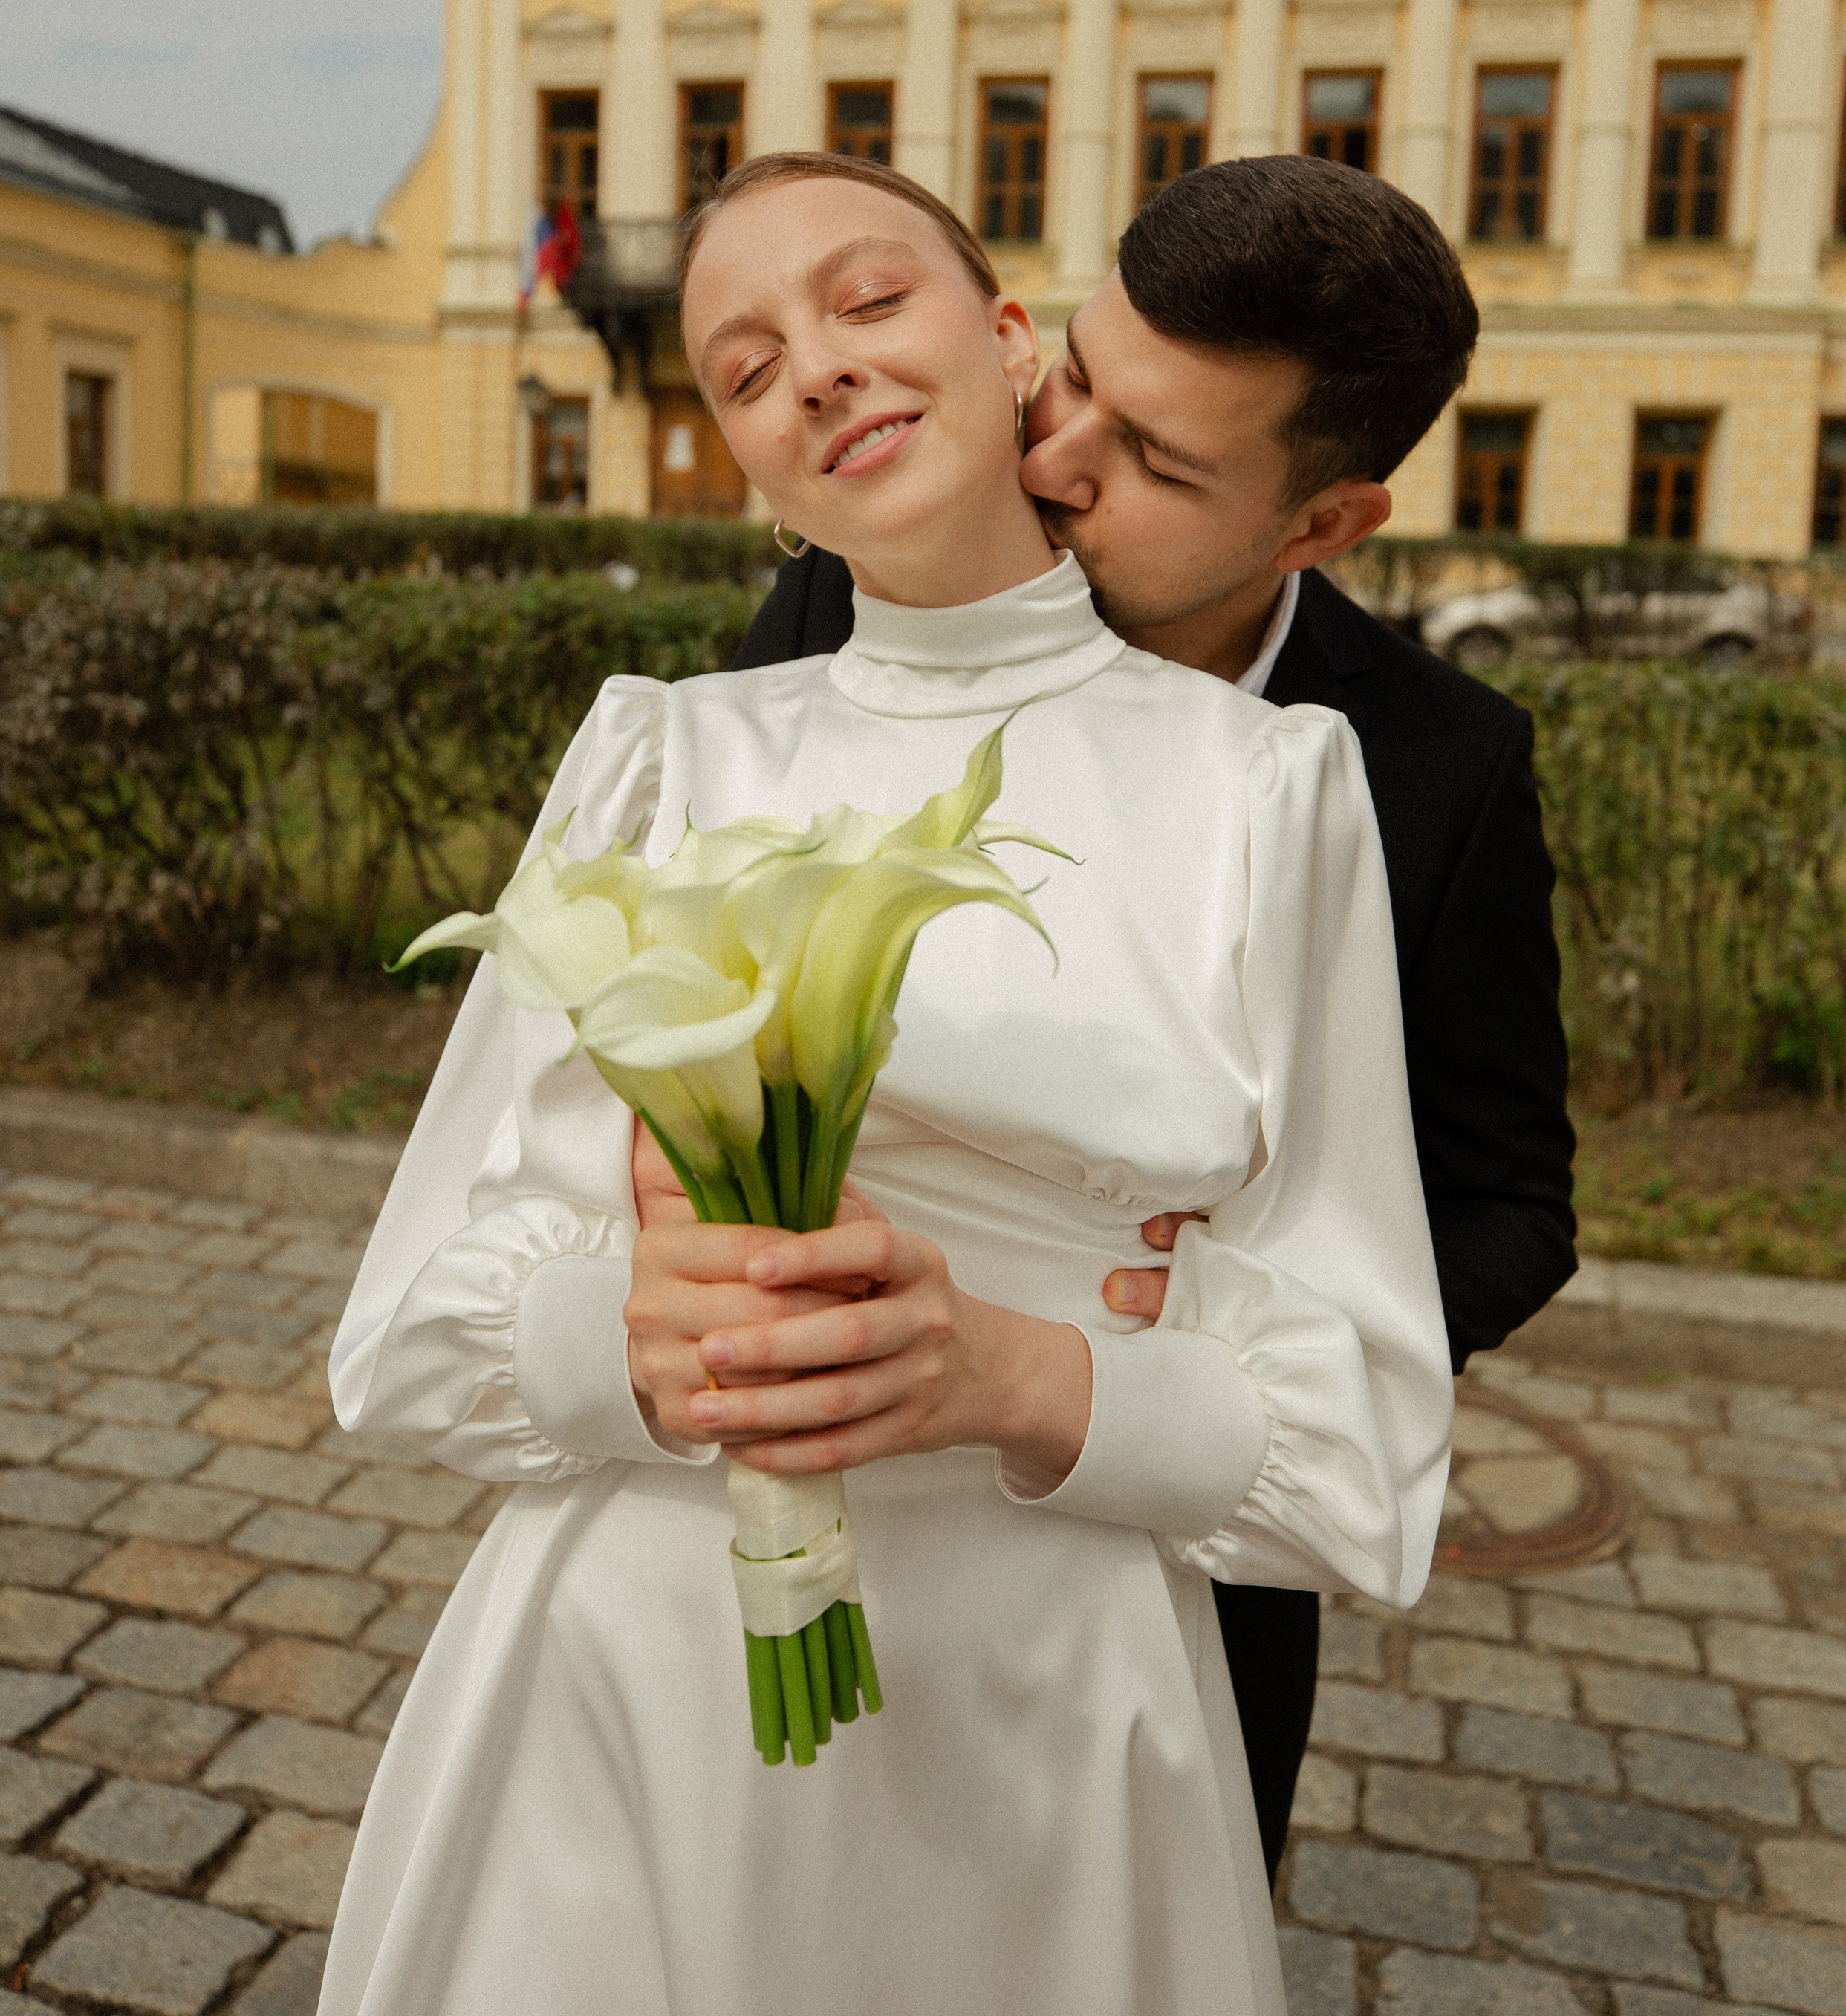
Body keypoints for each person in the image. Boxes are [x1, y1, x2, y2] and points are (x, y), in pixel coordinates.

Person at [321, 152, 1452, 2016]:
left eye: (865, 302)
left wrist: (1005, 1371)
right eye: (747, 369)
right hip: (640, 1661)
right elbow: (411, 1329)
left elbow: (1357, 1452)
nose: (815, 373)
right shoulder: (653, 758)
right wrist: (639, 1336)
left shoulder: (1270, 792)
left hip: (1047, 1694)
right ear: (749, 470)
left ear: (1015, 347)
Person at [732, 152, 1578, 1877]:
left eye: (1152, 462)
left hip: (1169, 1558)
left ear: (1322, 523)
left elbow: (1509, 1203)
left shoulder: (1434, 769)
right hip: (834, 1514)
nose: (1048, 458)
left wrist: (1216, 1320)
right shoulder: (844, 591)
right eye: (1074, 379)